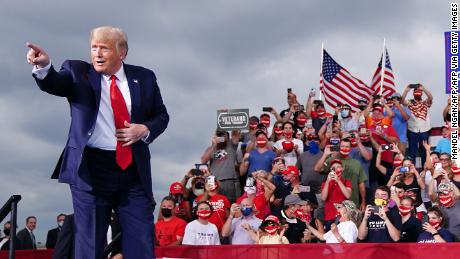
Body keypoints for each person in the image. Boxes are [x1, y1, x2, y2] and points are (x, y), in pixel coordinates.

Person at [27, 26, 169, 259]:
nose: (97, 54)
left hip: (132, 170)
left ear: (121, 52)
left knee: (141, 241)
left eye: (104, 48)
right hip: (90, 170)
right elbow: (55, 83)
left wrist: (144, 128)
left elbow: (161, 116)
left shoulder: (144, 77)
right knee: (89, 243)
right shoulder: (77, 71)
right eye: (94, 47)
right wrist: (43, 67)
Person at [201, 129, 241, 203]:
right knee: (216, 203)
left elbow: (236, 134)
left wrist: (235, 130)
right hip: (215, 182)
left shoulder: (231, 144)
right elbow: (203, 160)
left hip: (230, 181)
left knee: (231, 203)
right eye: (219, 135)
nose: (221, 137)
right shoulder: (211, 148)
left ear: (227, 136)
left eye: (223, 135)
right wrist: (214, 145)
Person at [401, 84, 433, 167]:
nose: (418, 93)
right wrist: (407, 90)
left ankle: (425, 172)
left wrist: (424, 88)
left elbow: (430, 98)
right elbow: (401, 101)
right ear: (413, 93)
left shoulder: (425, 102)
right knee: (412, 153)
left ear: (422, 93)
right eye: (416, 91)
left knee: (424, 152)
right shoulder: (409, 102)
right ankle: (412, 173)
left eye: (419, 91)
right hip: (412, 130)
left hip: (424, 130)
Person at [320, 159, 352, 229]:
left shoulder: (347, 182)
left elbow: (348, 195)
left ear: (342, 169)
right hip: (329, 217)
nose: (336, 169)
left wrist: (338, 180)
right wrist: (328, 182)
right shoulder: (325, 183)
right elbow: (323, 198)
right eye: (333, 167)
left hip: (343, 217)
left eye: (338, 166)